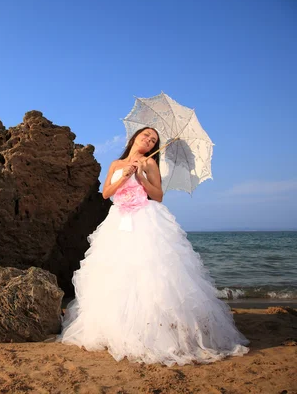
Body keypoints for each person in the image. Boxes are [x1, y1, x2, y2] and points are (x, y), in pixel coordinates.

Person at [58, 127, 249, 366]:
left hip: (144, 219)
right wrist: (125, 175)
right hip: (118, 222)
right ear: (134, 137)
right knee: (117, 274)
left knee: (148, 272)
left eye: (153, 140)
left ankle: (153, 331)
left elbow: (157, 195)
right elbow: (106, 193)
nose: (149, 141)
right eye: (146, 136)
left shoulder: (150, 164)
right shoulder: (116, 164)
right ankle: (117, 329)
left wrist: (141, 178)